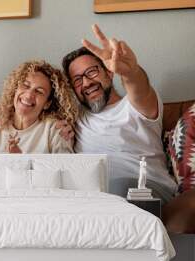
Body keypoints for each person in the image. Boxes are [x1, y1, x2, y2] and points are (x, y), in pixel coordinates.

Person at [61, 24, 177, 204]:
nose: (86, 83)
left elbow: (139, 89)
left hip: (147, 191)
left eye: (91, 72)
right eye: (77, 80)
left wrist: (130, 72)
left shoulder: (134, 105)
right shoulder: (75, 118)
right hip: (96, 200)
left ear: (108, 71)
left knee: (118, 188)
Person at [0, 60, 78, 153]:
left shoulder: (56, 130)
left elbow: (64, 171)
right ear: (14, 90)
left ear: (47, 103)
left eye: (39, 91)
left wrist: (22, 162)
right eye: (26, 85)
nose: (29, 95)